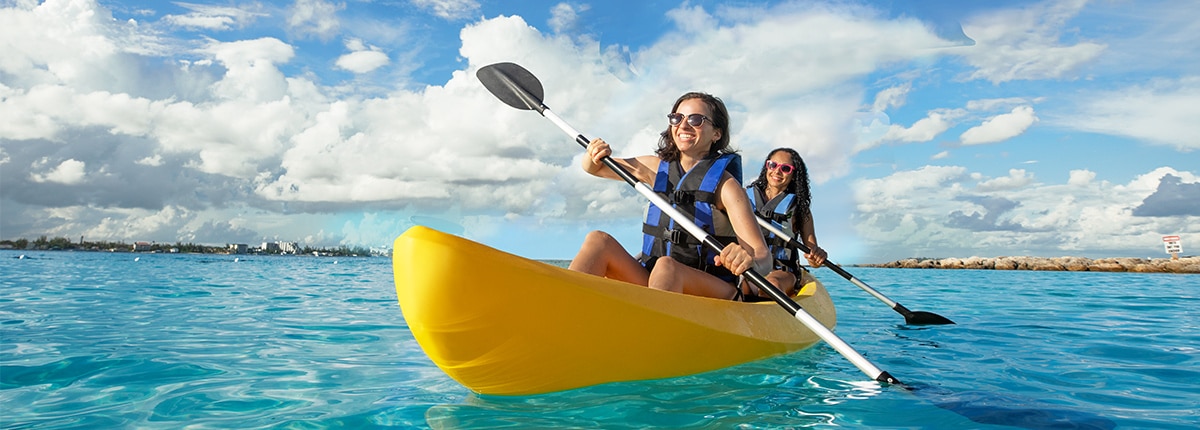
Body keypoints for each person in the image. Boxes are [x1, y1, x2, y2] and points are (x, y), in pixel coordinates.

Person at [567, 92, 775, 300]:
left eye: (696, 119)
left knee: (667, 267)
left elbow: (764, 259)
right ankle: (561, 304)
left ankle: (652, 327)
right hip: (655, 281)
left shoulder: (727, 187)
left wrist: (748, 259)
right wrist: (592, 156)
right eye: (677, 118)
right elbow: (594, 169)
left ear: (716, 134)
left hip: (710, 290)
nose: (683, 126)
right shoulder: (654, 168)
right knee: (598, 241)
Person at [744, 147, 828, 297]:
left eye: (785, 168)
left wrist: (817, 256)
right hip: (748, 265)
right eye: (773, 165)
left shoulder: (800, 210)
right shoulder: (742, 198)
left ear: (794, 175)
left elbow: (813, 260)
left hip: (781, 271)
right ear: (766, 167)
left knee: (771, 285)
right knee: (740, 286)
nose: (777, 171)